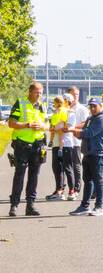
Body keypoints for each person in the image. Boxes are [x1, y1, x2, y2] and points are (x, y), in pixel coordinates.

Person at [7, 81, 48, 217]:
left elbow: (47, 125)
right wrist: (27, 125)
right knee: (19, 174)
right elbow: (11, 123)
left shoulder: (42, 105)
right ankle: (14, 205)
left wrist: (42, 126)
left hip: (38, 144)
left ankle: (30, 205)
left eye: (41, 93)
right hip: (22, 145)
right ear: (30, 92)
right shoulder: (20, 103)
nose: (39, 95)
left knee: (34, 176)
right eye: (37, 92)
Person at [68, 98, 103, 217]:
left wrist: (73, 130)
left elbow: (89, 132)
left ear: (100, 106)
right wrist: (76, 132)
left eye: (94, 106)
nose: (92, 109)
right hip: (88, 153)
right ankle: (85, 206)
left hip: (98, 153)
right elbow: (84, 133)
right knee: (88, 181)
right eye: (91, 106)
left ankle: (99, 207)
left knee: (98, 180)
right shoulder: (91, 118)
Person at [44, 95, 73, 201]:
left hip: (65, 143)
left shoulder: (67, 112)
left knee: (67, 168)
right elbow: (52, 126)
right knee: (57, 168)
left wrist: (54, 130)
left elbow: (63, 128)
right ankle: (60, 190)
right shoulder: (56, 112)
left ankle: (71, 190)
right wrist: (52, 134)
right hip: (57, 143)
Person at [65, 86, 89, 201]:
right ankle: (66, 188)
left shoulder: (82, 109)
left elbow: (86, 123)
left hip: (76, 141)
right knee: (66, 166)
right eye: (73, 94)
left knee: (76, 165)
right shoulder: (64, 108)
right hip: (65, 142)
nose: (75, 96)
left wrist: (73, 127)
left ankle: (76, 188)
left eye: (77, 94)